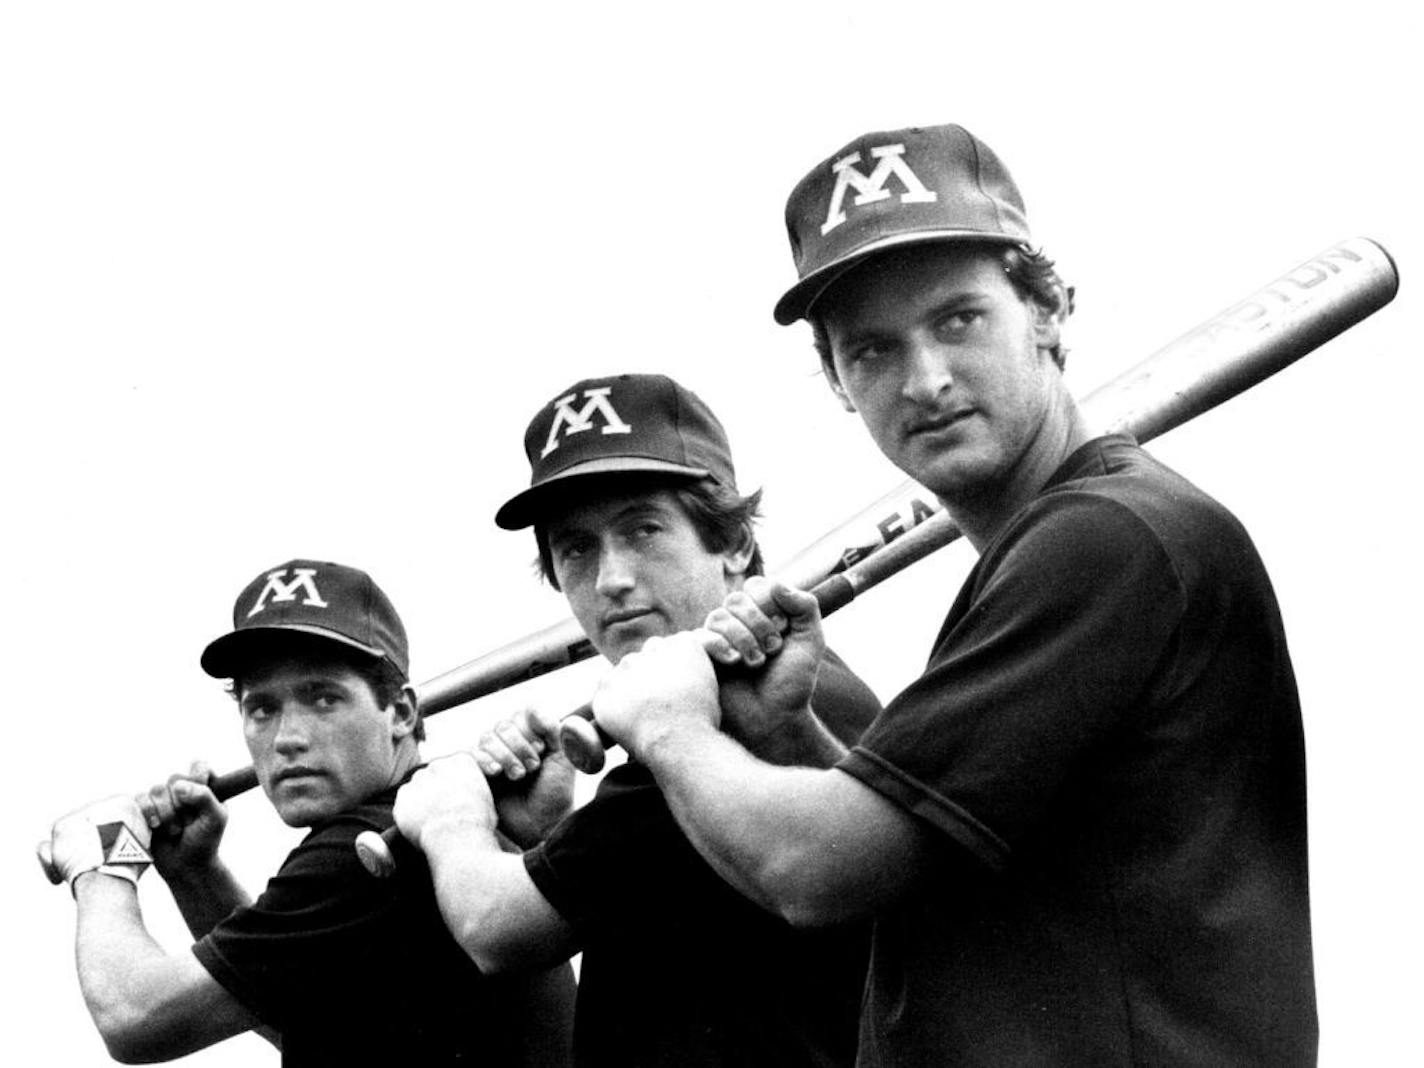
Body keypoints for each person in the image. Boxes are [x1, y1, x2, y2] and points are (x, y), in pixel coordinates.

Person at [586, 124, 1319, 1065]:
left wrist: (666, 725)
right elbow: (922, 872)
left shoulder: (1104, 539)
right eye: (874, 352)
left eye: (959, 320)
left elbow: (816, 871)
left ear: (1048, 311)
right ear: (840, 384)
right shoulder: (1047, 551)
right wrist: (784, 733)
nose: (924, 381)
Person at [393, 373, 882, 1067]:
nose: (610, 579)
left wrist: (451, 820)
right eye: (577, 548)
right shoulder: (695, 712)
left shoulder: (754, 709)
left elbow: (495, 927)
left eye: (643, 530)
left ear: (734, 542)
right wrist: (540, 833)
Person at [47, 558, 574, 1066]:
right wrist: (194, 873)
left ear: (402, 712)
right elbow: (311, 1025)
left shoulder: (367, 849)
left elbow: (135, 1019)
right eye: (262, 708)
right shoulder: (425, 821)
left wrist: (102, 865)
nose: (287, 739)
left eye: (323, 699)